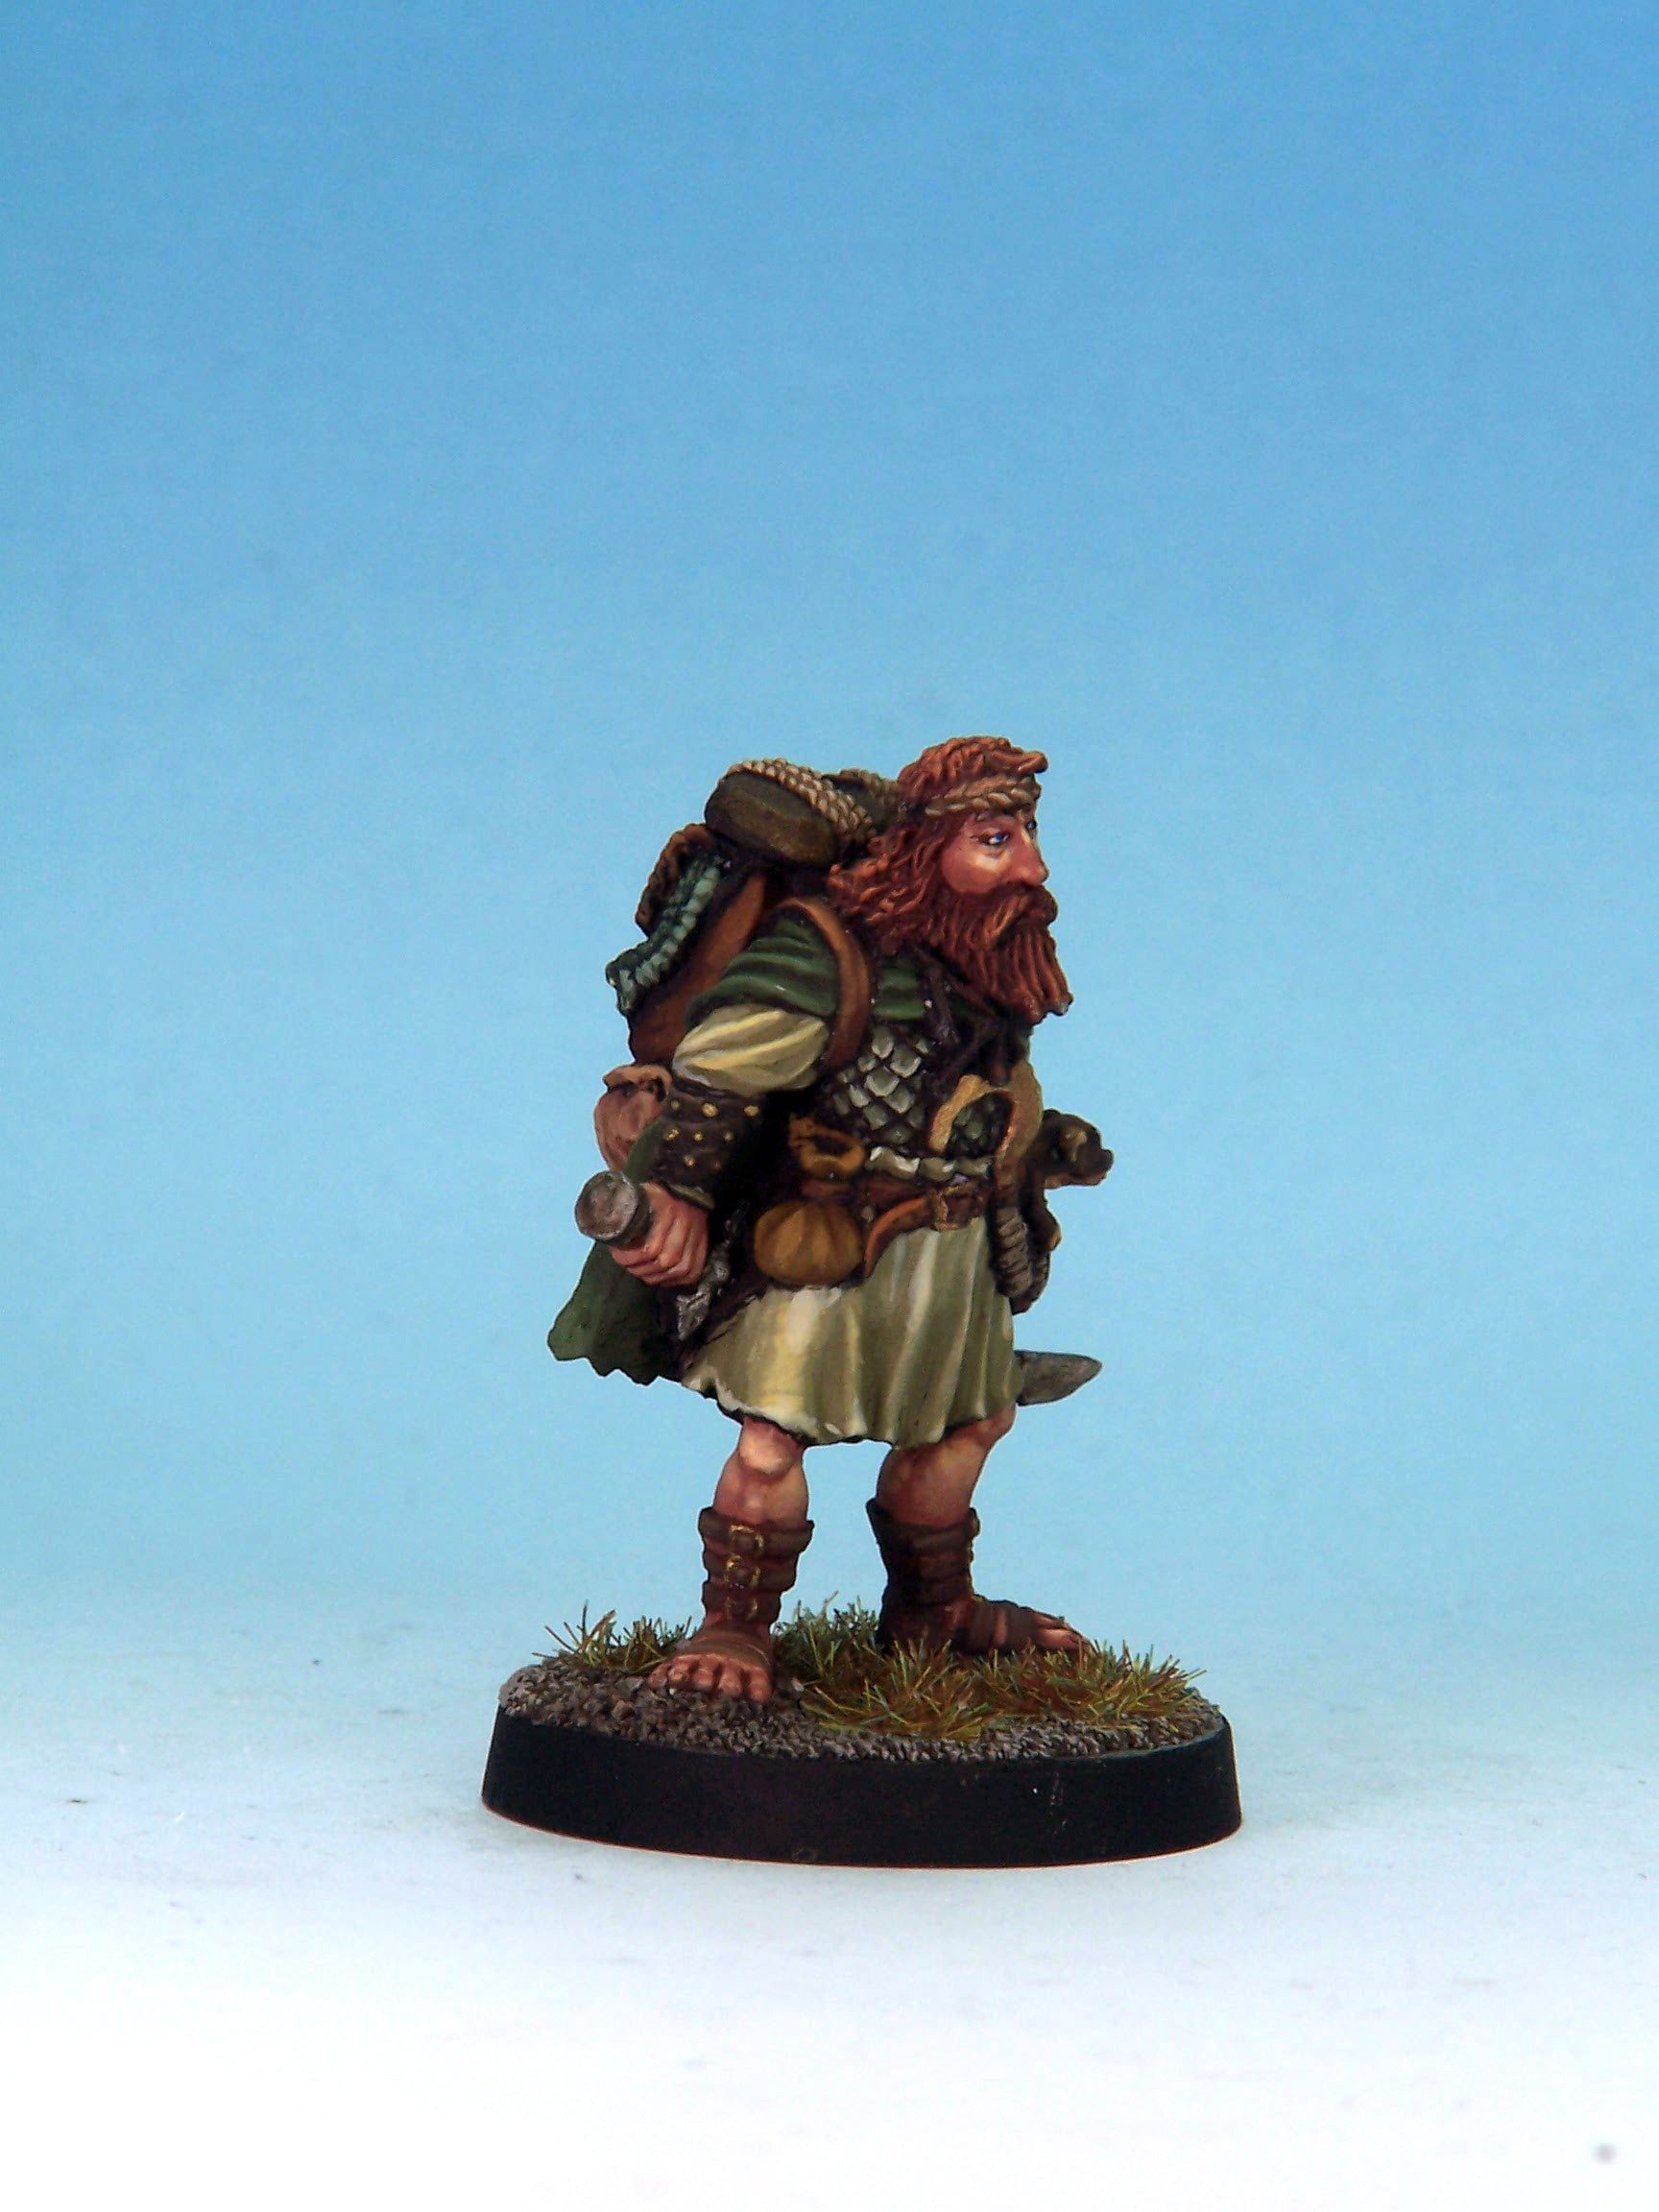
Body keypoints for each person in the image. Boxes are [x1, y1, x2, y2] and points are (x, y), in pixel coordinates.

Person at [565, 736, 1109, 1701]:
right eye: (996, 838)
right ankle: (734, 1627)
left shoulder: (983, 957)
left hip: (956, 1249)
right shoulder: (825, 955)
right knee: (773, 1437)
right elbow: (724, 1071)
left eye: (1026, 833)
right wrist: (681, 1192)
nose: (1032, 866)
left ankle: (933, 1613)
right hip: (832, 1244)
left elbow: (970, 1088)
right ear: (928, 846)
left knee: (969, 1426)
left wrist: (1035, 1142)